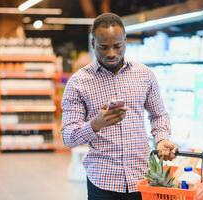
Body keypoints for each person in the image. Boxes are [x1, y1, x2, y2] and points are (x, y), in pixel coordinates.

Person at [61, 12, 178, 200]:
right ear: (93, 44)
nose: (111, 53)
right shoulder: (78, 82)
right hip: (102, 181)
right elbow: (67, 137)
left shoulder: (144, 75)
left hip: (141, 177)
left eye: (117, 46)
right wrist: (95, 124)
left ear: (125, 41)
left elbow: (159, 114)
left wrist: (162, 139)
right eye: (103, 47)